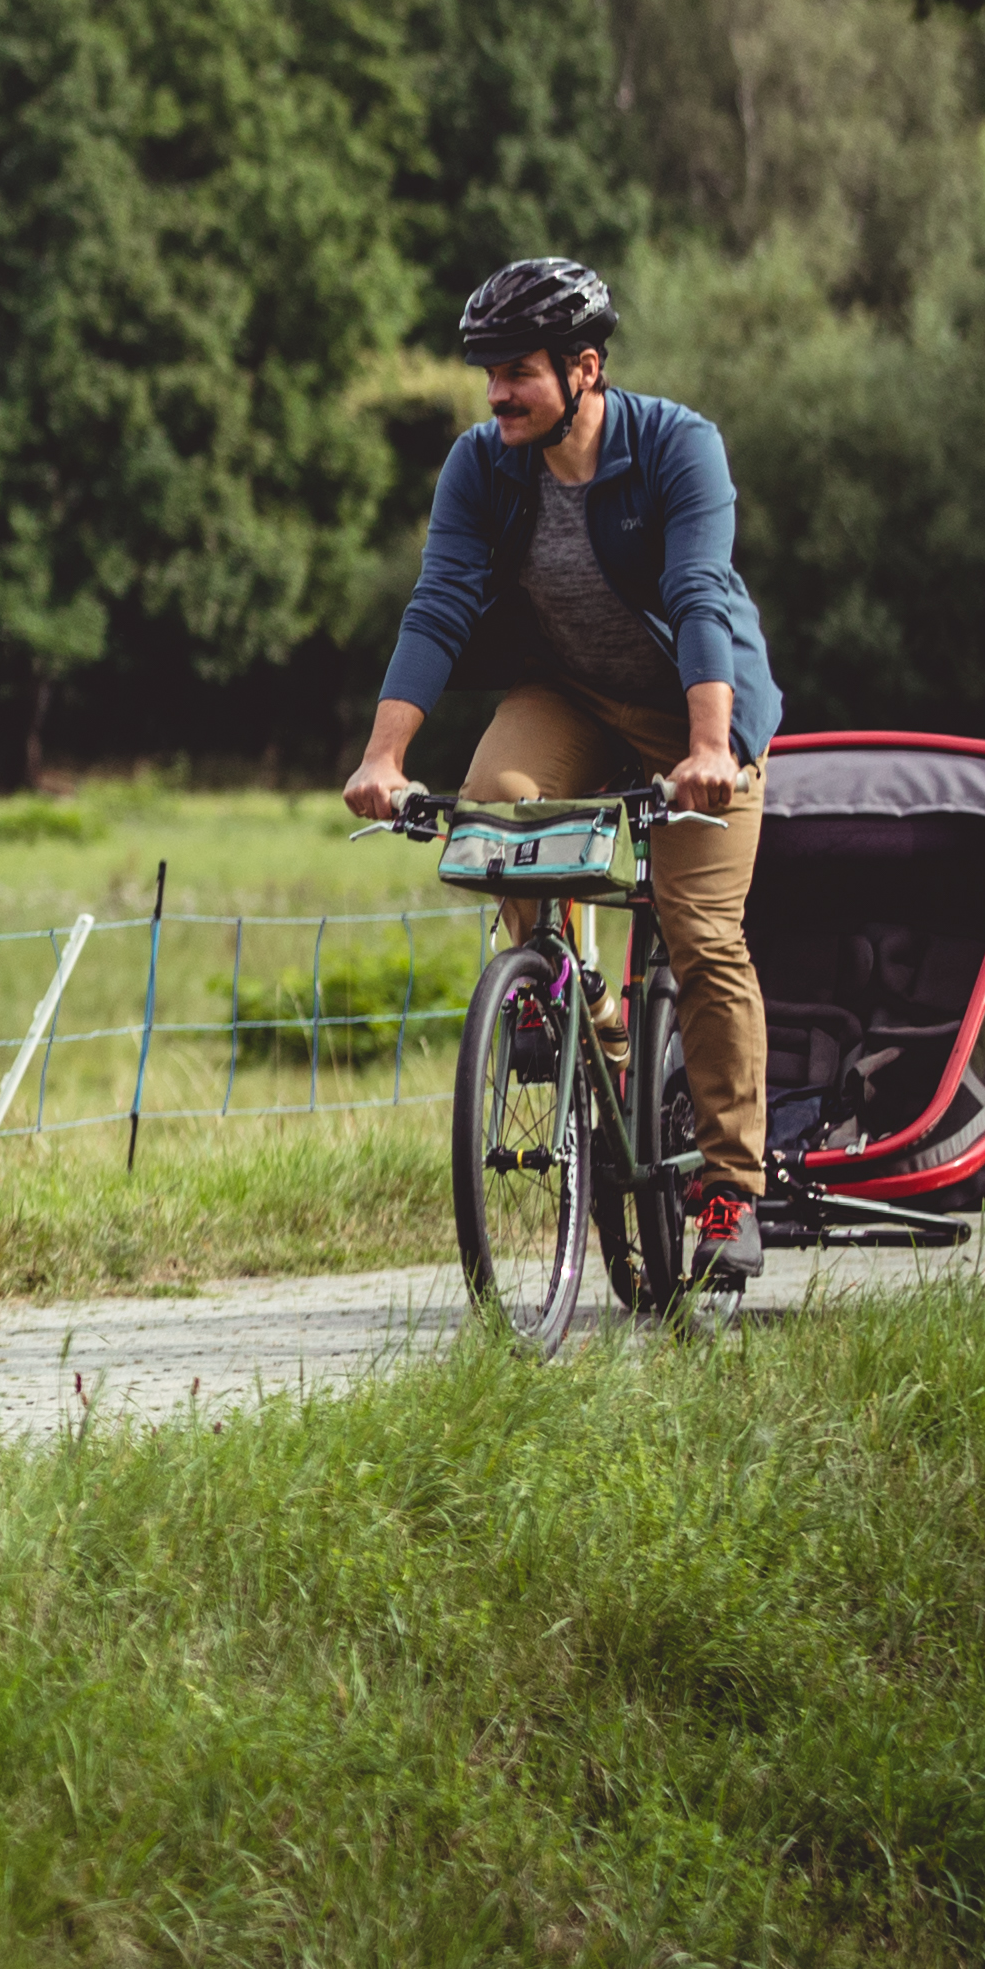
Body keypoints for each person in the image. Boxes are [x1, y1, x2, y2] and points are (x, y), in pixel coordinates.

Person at [340, 256, 788, 1291]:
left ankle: (729, 1182)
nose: (496, 391)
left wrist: (711, 750)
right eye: (488, 372)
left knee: (703, 934)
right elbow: (441, 600)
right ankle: (573, 1002)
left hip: (696, 709)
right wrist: (384, 757)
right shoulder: (482, 464)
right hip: (571, 695)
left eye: (517, 372)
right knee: (496, 810)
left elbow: (700, 593)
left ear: (584, 369)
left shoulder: (679, 447)